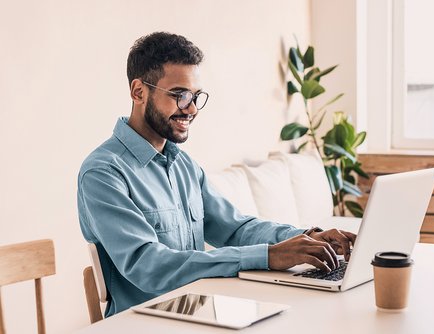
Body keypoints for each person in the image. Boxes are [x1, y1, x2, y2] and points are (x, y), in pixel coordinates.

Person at [77, 32, 356, 317]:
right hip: (143, 322)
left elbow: (235, 229)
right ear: (139, 92)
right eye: (180, 96)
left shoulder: (183, 164)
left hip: (200, 313)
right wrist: (269, 256)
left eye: (196, 96)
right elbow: (149, 266)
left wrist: (307, 239)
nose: (192, 109)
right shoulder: (103, 173)